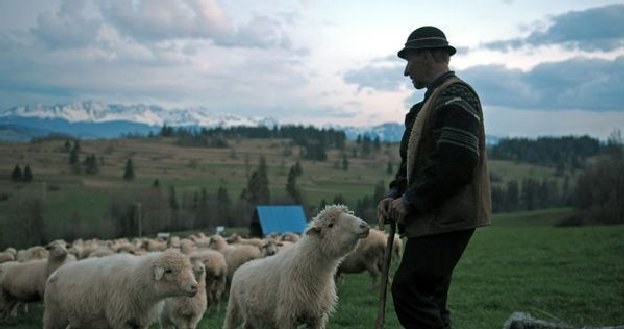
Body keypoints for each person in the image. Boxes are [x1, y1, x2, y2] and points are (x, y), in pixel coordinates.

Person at [377, 26, 492, 329]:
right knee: (429, 298)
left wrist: (413, 200)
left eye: (409, 59)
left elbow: (456, 161)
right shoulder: (426, 105)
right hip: (433, 217)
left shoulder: (457, 96)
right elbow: (411, 164)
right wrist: (394, 194)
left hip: (447, 217)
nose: (405, 71)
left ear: (428, 55)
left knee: (409, 291)